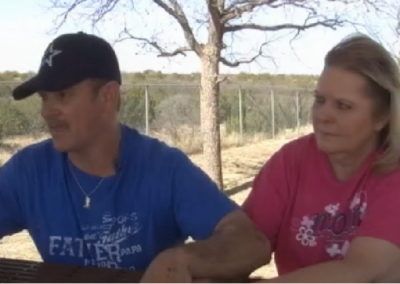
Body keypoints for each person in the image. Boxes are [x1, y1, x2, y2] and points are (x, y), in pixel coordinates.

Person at [0, 32, 270, 283]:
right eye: (44, 98)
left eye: (62, 95)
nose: (47, 112)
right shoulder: (28, 171)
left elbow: (251, 243)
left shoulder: (163, 168)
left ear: (108, 97)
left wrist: (182, 260)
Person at [243, 33, 400, 284]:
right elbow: (246, 243)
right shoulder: (290, 161)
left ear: (381, 117)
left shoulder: (393, 171)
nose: (323, 115)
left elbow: (363, 271)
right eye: (320, 100)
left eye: (343, 106)